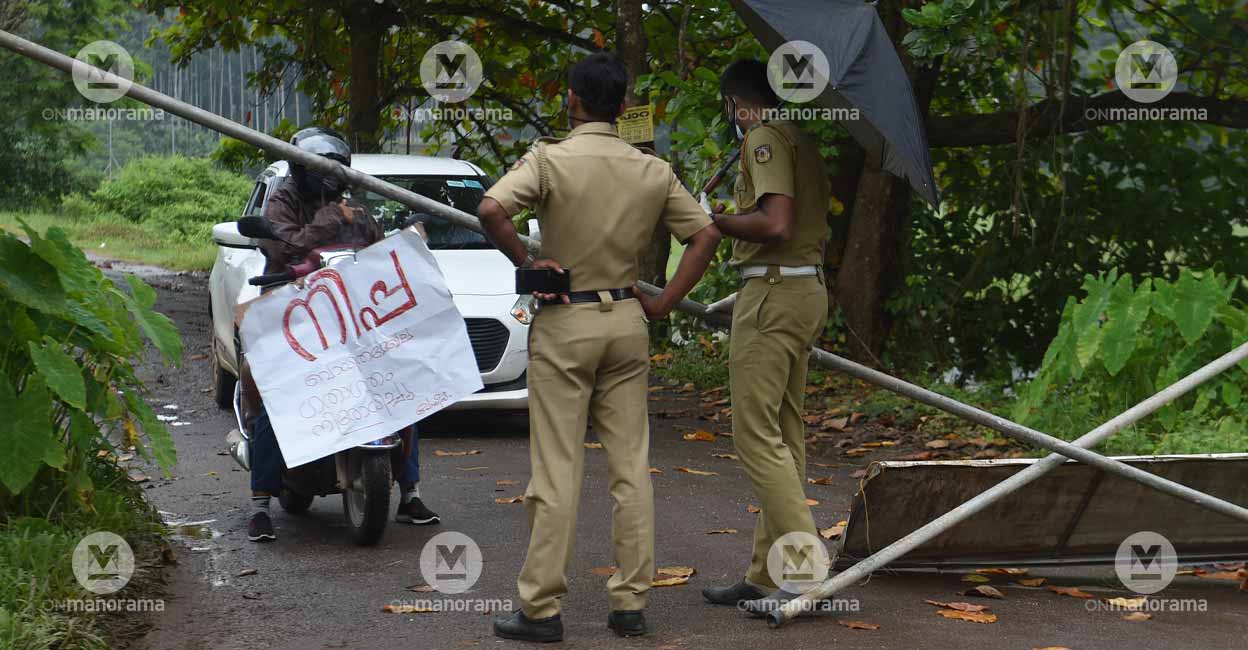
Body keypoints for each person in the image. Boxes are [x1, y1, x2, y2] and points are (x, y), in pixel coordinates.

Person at [478, 53, 721, 642]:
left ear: (573, 100)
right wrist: (663, 303)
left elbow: (490, 207)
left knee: (558, 469)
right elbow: (706, 233)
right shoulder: (651, 169)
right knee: (631, 467)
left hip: (566, 320)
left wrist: (529, 262)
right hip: (628, 322)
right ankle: (630, 603)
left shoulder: (550, 159)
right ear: (622, 103)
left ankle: (541, 608)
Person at [243, 127, 437, 542]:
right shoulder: (282, 202)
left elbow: (377, 253)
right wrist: (331, 220)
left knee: (402, 391)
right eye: (324, 169)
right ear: (303, 169)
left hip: (350, 319)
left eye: (337, 170)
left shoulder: (356, 208)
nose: (332, 177)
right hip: (296, 317)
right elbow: (282, 246)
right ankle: (260, 503)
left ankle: (410, 492)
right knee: (276, 392)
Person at [698, 60, 831, 613]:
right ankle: (763, 571)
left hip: (774, 295)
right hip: (802, 290)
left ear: (735, 103)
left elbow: (775, 224)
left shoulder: (763, 138)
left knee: (755, 437)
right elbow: (787, 219)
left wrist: (716, 222)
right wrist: (737, 215)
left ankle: (807, 574)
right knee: (783, 435)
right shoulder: (799, 137)